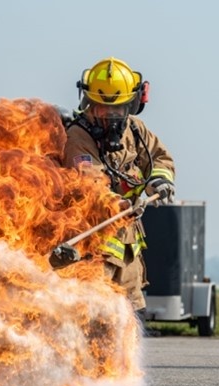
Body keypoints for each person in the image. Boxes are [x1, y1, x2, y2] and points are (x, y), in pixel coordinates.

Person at [62, 56, 176, 332]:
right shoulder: (78, 136)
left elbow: (160, 159)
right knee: (92, 321)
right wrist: (118, 202)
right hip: (92, 248)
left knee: (131, 321)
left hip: (128, 249)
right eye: (101, 108)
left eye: (118, 108)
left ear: (132, 104)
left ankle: (124, 376)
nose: (109, 115)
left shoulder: (136, 131)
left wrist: (160, 181)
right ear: (88, 103)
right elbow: (89, 183)